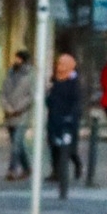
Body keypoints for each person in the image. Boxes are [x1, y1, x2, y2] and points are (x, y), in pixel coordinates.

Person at [45, 51, 83, 199]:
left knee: (68, 148)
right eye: (58, 63)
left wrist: (72, 116)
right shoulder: (54, 80)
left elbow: (76, 101)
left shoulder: (73, 82)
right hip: (54, 118)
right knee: (53, 145)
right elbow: (49, 99)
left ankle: (76, 165)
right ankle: (55, 172)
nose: (59, 66)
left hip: (67, 120)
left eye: (62, 64)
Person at [0, 48, 35, 179]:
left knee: (16, 143)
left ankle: (12, 170)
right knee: (18, 144)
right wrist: (7, 107)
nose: (16, 61)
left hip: (22, 115)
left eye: (19, 58)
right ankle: (27, 167)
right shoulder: (10, 74)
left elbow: (31, 96)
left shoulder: (31, 75)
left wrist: (18, 108)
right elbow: (2, 92)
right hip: (9, 114)